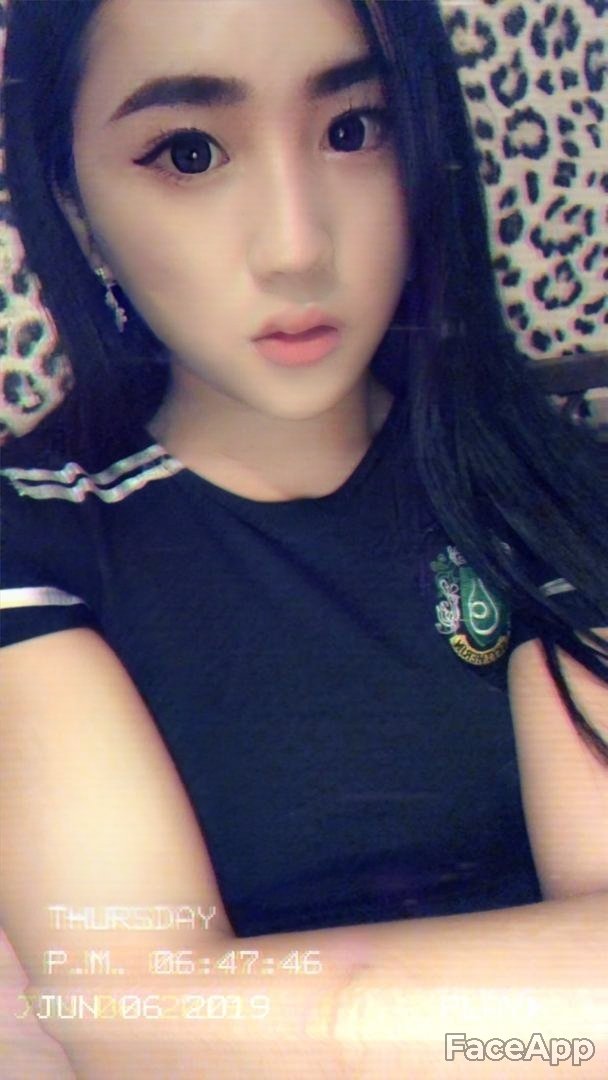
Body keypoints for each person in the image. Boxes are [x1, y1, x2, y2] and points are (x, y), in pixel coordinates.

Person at [1, 0, 607, 1075]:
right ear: (74, 202)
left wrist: (294, 1013)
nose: (296, 245)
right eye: (189, 153)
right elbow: (140, 1020)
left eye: (352, 130)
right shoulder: (37, 539)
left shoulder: (537, 486)